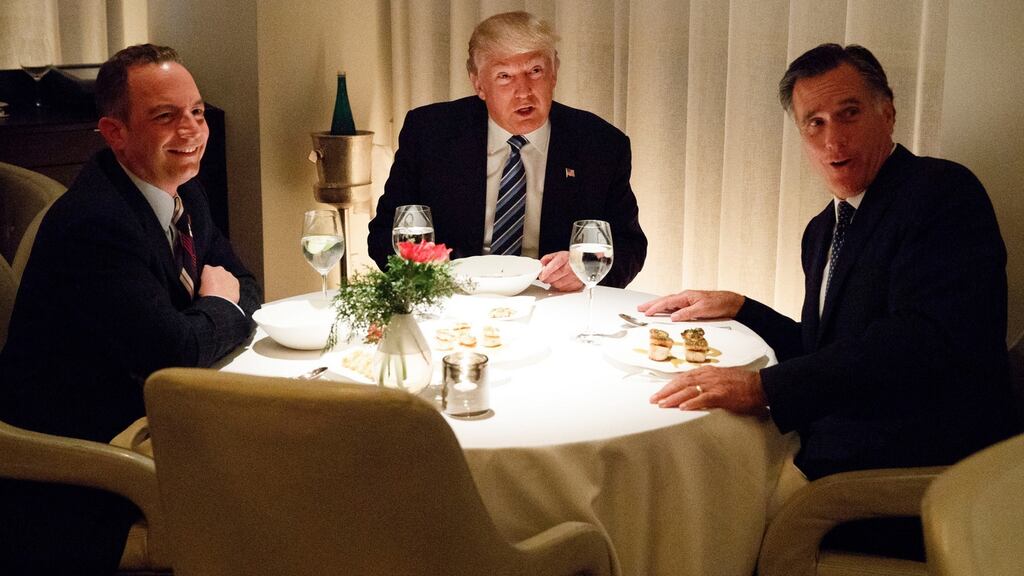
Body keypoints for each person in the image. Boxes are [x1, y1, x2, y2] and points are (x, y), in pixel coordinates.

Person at [640, 44, 1015, 491]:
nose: (833, 140)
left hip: (916, 472)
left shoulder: (941, 192)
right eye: (814, 123)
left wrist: (764, 388)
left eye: (849, 113)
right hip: (848, 444)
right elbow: (829, 350)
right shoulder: (822, 230)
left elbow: (919, 341)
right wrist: (742, 308)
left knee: (697, 478)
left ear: (888, 114)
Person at [0, 44, 261, 573]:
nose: (190, 130)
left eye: (197, 112)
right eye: (165, 116)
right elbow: (177, 350)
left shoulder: (184, 190)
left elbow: (247, 286)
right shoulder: (97, 224)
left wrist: (213, 308)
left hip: (151, 417)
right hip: (79, 477)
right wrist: (215, 304)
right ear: (115, 132)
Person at [368, 11, 647, 290]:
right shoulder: (430, 133)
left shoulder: (601, 144)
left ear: (554, 72)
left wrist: (583, 270)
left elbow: (629, 246)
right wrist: (422, 271)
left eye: (535, 71)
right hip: (455, 298)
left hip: (555, 301)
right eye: (504, 76)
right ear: (478, 83)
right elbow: (384, 234)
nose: (523, 91)